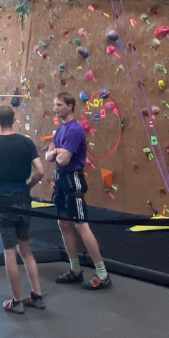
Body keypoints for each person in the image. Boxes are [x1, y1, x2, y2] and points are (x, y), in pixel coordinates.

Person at [0, 105, 46, 313]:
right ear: (14, 120)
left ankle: (17, 300)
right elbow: (40, 172)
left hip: (5, 200)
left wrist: (0, 185)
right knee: (26, 249)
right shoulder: (26, 143)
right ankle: (37, 294)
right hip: (24, 199)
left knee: (10, 250)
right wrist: (27, 186)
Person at [44, 92, 111, 290]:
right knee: (63, 223)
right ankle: (75, 269)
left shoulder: (74, 130)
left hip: (73, 179)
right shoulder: (60, 130)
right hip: (60, 180)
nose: (55, 107)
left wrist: (55, 152)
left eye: (59, 104)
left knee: (81, 225)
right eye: (54, 104)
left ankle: (102, 273)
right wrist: (56, 152)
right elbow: (49, 157)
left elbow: (63, 160)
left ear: (70, 106)